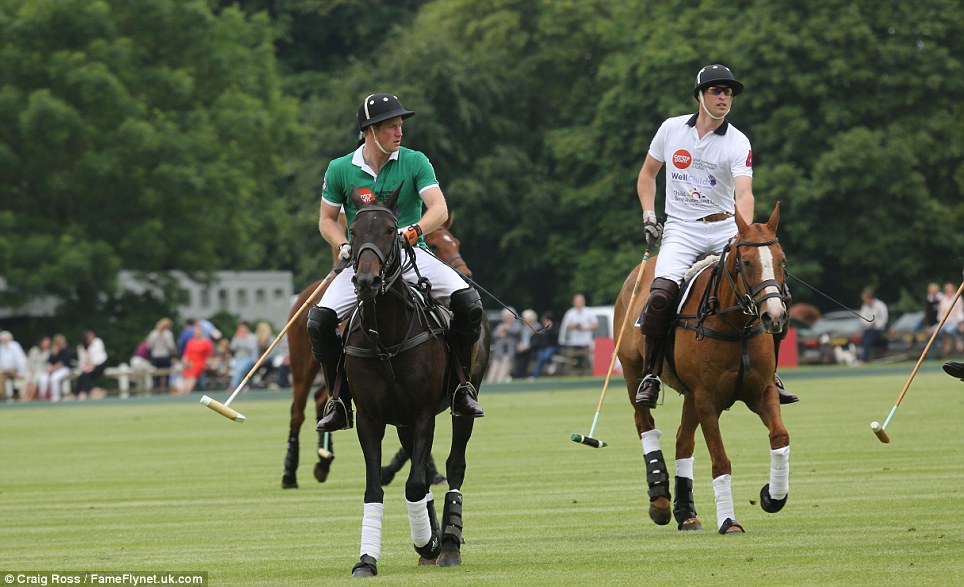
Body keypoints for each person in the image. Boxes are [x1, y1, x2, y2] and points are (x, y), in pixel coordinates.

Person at [308, 92, 484, 432]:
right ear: (370, 131)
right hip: (366, 263)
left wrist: (414, 232)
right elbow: (327, 219)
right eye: (391, 126)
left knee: (469, 303)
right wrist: (343, 244)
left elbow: (439, 209)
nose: (399, 132)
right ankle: (339, 401)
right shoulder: (341, 169)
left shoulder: (415, 161)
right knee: (318, 322)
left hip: (411, 256)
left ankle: (462, 388)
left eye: (400, 125)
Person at [633, 63, 797, 408]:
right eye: (716, 90)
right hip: (681, 229)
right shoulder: (671, 129)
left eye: (728, 92)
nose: (724, 97)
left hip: (726, 227)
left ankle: (770, 375)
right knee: (660, 295)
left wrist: (747, 233)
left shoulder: (738, 141)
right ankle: (650, 375)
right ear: (700, 95)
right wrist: (649, 215)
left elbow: (745, 193)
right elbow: (648, 175)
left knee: (774, 292)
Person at [559, 294, 598, 375]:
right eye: (577, 302)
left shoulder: (589, 312)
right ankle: (571, 375)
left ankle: (587, 374)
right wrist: (574, 326)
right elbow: (566, 325)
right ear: (574, 302)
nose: (579, 303)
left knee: (586, 361)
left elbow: (595, 324)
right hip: (573, 342)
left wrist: (584, 328)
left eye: (580, 301)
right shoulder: (570, 313)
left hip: (586, 342)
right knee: (571, 361)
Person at [485, 309, 521, 383]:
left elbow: (516, 331)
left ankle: (499, 386)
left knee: (503, 372)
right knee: (493, 370)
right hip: (499, 352)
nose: (507, 319)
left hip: (509, 352)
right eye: (505, 317)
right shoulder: (501, 325)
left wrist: (506, 329)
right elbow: (495, 335)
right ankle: (489, 384)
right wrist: (501, 332)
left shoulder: (516, 325)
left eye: (508, 317)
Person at [177, 323, 214, 395]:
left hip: (199, 362)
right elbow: (186, 354)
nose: (197, 333)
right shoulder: (191, 341)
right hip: (190, 362)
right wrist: (185, 362)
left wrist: (209, 363)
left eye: (198, 332)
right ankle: (182, 392)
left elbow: (209, 355)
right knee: (186, 378)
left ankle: (187, 392)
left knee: (192, 377)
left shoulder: (206, 342)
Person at [74, 330, 108, 400]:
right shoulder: (81, 346)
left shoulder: (97, 342)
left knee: (86, 375)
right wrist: (84, 369)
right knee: (82, 375)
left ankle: (82, 393)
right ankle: (79, 393)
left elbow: (98, 358)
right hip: (88, 366)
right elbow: (82, 360)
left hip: (100, 364)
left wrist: (91, 366)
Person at [857, 288, 889, 364]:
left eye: (865, 299)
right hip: (868, 330)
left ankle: (864, 359)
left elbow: (884, 318)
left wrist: (876, 324)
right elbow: (862, 318)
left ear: (870, 297)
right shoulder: (865, 307)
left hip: (879, 330)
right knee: (867, 334)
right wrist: (869, 324)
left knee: (868, 336)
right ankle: (865, 357)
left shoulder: (880, 305)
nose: (864, 301)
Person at [38, 334, 71, 401]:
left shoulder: (66, 350)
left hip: (65, 369)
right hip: (53, 369)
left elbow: (61, 363)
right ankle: (43, 398)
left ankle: (55, 398)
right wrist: (49, 368)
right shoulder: (53, 351)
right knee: (43, 379)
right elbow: (49, 362)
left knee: (54, 378)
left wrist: (53, 369)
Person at [147, 317, 178, 389]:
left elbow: (149, 345)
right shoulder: (168, 334)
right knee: (166, 374)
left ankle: (156, 389)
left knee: (156, 374)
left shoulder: (153, 333)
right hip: (165, 356)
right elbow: (171, 346)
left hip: (155, 356)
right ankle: (166, 389)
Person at [529, 311, 560, 379]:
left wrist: (550, 329)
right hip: (543, 348)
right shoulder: (542, 328)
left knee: (545, 355)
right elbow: (538, 338)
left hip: (553, 347)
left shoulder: (555, 326)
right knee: (541, 358)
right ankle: (535, 375)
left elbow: (555, 337)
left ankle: (550, 364)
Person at [229, 321, 259, 390]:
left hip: (248, 358)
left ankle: (232, 386)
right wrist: (238, 338)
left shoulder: (252, 337)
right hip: (238, 359)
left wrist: (244, 339)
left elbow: (253, 349)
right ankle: (243, 386)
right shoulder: (237, 337)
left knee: (239, 370)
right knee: (237, 371)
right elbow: (232, 347)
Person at [21, 336, 51, 402]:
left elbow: (48, 363)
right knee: (28, 379)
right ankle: (24, 397)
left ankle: (29, 398)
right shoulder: (34, 350)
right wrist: (31, 370)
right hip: (31, 369)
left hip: (41, 370)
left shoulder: (49, 352)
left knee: (34, 380)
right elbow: (30, 361)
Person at [936, 282, 963, 356]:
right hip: (944, 322)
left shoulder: (958, 298)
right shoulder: (943, 299)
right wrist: (940, 322)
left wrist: (961, 323)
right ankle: (946, 342)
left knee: (950, 330)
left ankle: (956, 341)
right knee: (936, 330)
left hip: (954, 322)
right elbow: (940, 313)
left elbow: (960, 312)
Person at [0, 330, 27, 400]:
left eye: (5, 339)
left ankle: (3, 395)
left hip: (14, 370)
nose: (3, 341)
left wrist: (21, 373)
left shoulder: (15, 346)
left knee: (1, 375)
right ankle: (3, 396)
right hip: (4, 371)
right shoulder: (1, 347)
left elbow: (20, 360)